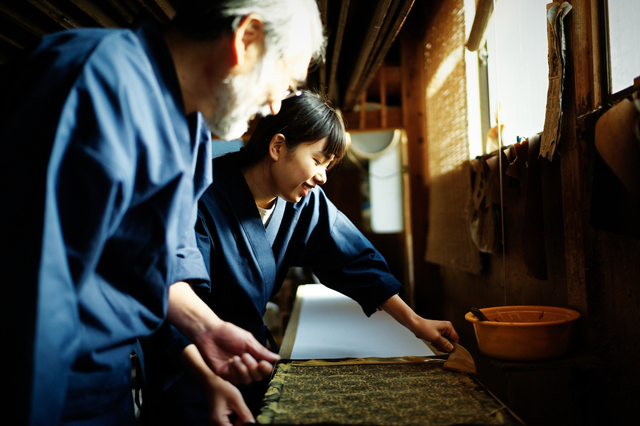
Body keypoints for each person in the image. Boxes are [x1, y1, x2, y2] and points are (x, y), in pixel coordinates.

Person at [0, 0, 324, 424]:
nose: (277, 106)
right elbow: (34, 287)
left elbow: (157, 259)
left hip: (107, 378)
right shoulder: (93, 80)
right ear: (247, 38)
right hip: (40, 377)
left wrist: (204, 327)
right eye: (287, 85)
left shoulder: (190, 127)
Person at [140, 91, 460, 425]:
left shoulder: (303, 203)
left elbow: (358, 262)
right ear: (278, 146)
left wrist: (416, 323)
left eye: (328, 166)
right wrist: (210, 380)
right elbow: (172, 301)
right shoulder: (201, 193)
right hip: (190, 368)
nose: (322, 175)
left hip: (247, 363)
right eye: (318, 160)